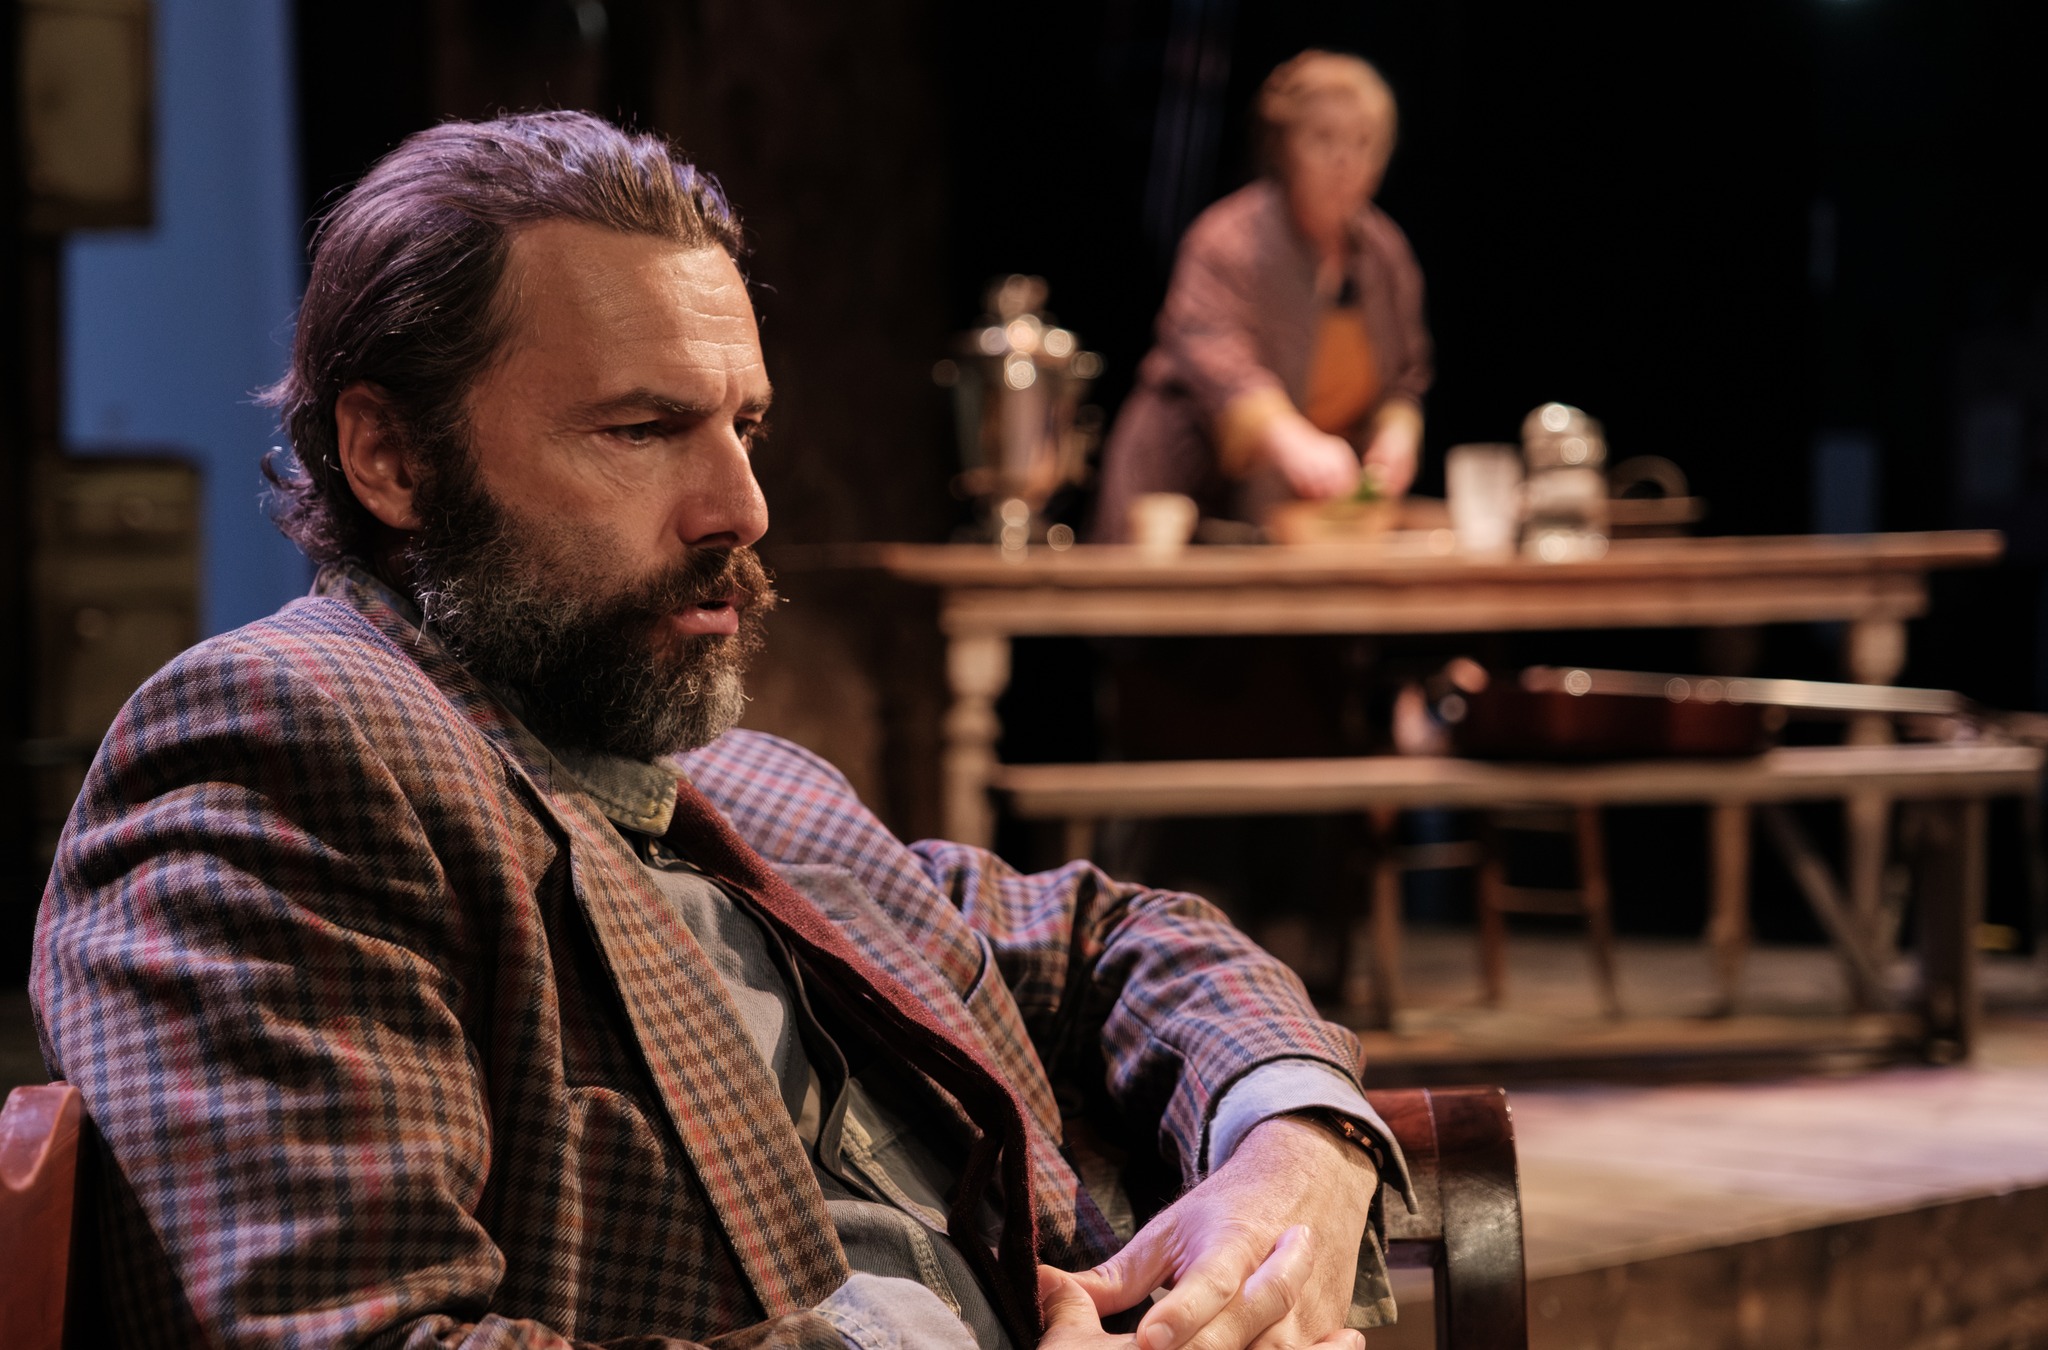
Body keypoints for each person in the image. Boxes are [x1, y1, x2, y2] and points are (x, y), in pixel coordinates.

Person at [30, 112, 1412, 1350]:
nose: (742, 506)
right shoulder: (282, 744)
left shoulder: (747, 779)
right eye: (641, 430)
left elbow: (1111, 938)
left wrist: (1288, 1143)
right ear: (391, 458)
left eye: (744, 424)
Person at [1093, 52, 1433, 542]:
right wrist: (1289, 437)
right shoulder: (1226, 239)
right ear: (1284, 145)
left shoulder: (1385, 255)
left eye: (1364, 142)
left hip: (1299, 512)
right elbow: (1213, 352)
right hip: (1181, 497)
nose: (1346, 162)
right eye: (1323, 139)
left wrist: (1398, 433)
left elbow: (1405, 378)